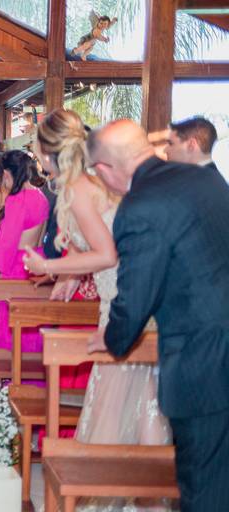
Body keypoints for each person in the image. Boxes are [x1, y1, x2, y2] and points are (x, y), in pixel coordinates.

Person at [24, 111, 172, 512]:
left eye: (38, 152)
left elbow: (106, 254)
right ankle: (152, 500)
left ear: (51, 154)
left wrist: (48, 265)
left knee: (117, 400)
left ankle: (118, 494)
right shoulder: (90, 182)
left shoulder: (77, 189)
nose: (38, 160)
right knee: (143, 400)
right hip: (134, 298)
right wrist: (68, 276)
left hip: (122, 301)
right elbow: (97, 243)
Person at [86, 119, 229, 512]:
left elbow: (136, 294)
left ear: (105, 169)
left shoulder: (141, 205)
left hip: (204, 361)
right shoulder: (205, 179)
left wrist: (113, 337)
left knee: (203, 487)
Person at [0, 151, 49, 354]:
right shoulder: (40, 196)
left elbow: (7, 244)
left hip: (15, 269)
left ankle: (11, 372)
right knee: (32, 330)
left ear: (7, 174)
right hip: (36, 264)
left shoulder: (18, 200)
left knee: (11, 340)